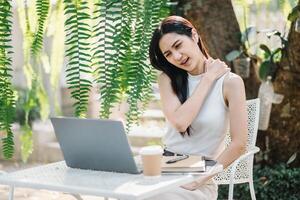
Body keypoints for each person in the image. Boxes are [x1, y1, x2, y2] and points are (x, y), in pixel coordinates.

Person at [148, 16, 248, 199]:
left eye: (178, 45)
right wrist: (208, 78)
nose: (176, 57)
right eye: (168, 54)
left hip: (198, 176)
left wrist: (200, 178)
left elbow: (239, 144)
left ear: (194, 35)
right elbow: (180, 122)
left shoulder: (230, 83)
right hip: (164, 166)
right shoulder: (167, 79)